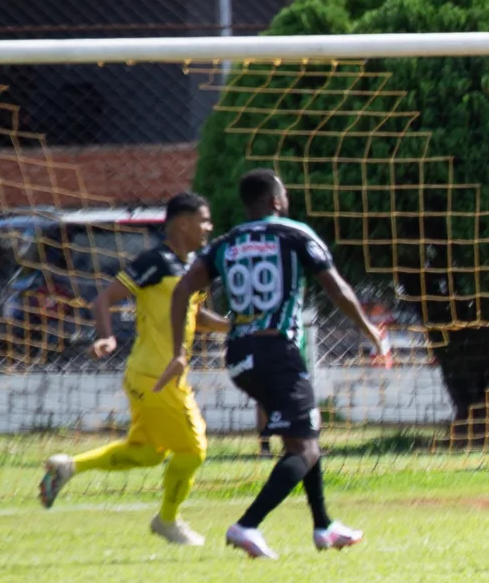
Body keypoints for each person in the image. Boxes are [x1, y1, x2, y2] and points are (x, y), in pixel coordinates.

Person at [158, 169, 391, 559]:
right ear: (275, 202)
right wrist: (370, 331)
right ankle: (247, 525)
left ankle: (324, 526)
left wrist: (178, 352)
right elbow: (336, 288)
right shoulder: (294, 234)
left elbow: (183, 290)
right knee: (304, 450)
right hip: (277, 354)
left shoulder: (226, 243)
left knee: (304, 437)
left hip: (239, 357)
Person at [38, 193, 228, 544]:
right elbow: (104, 300)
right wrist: (107, 338)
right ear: (183, 223)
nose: (208, 227)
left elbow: (195, 316)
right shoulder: (154, 261)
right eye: (204, 220)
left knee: (146, 453)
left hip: (156, 376)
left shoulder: (192, 269)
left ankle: (69, 467)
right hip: (156, 376)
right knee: (193, 450)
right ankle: (168, 521)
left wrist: (231, 327)